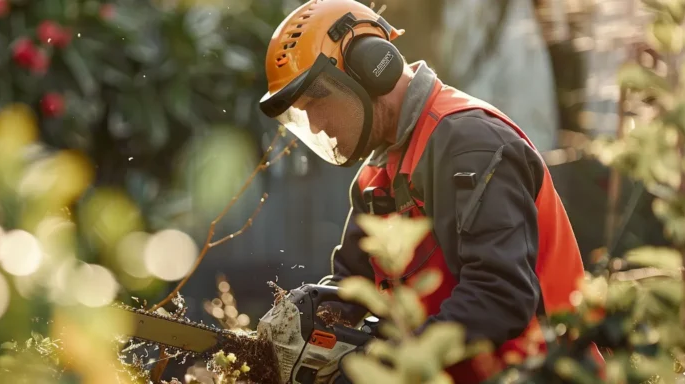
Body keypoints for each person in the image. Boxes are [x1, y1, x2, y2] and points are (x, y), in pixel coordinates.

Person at [258, 0, 605, 381]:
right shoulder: (374, 177)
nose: (317, 124)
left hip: (546, 372)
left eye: (318, 101)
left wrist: (383, 367)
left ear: (373, 67)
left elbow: (500, 296)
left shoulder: (472, 144)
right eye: (303, 113)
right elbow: (356, 287)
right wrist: (315, 312)